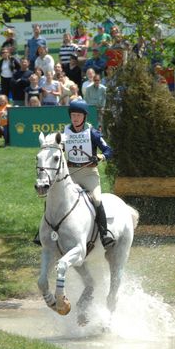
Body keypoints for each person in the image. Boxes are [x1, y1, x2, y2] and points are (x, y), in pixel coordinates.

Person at [62, 100, 114, 247]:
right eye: (73, 115)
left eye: (78, 115)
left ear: (84, 117)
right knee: (55, 195)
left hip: (89, 173)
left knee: (97, 199)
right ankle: (44, 232)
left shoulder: (92, 133)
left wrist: (100, 157)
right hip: (70, 173)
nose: (75, 118)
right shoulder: (65, 132)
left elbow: (109, 150)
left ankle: (104, 234)